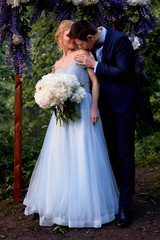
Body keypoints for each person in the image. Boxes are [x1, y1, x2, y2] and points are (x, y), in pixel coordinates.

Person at [23, 20, 119, 228]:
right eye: (69, 36)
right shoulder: (56, 64)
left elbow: (95, 81)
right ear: (59, 37)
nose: (74, 40)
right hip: (62, 118)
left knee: (83, 157)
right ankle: (58, 207)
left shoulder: (83, 55)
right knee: (60, 158)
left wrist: (94, 107)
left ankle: (85, 210)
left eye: (75, 36)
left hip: (84, 113)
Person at [68, 20, 140, 228]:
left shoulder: (120, 40)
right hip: (100, 109)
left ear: (90, 38)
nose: (80, 48)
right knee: (107, 153)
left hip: (123, 106)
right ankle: (113, 200)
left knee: (124, 154)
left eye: (81, 44)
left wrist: (95, 65)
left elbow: (124, 73)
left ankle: (126, 207)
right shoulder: (89, 44)